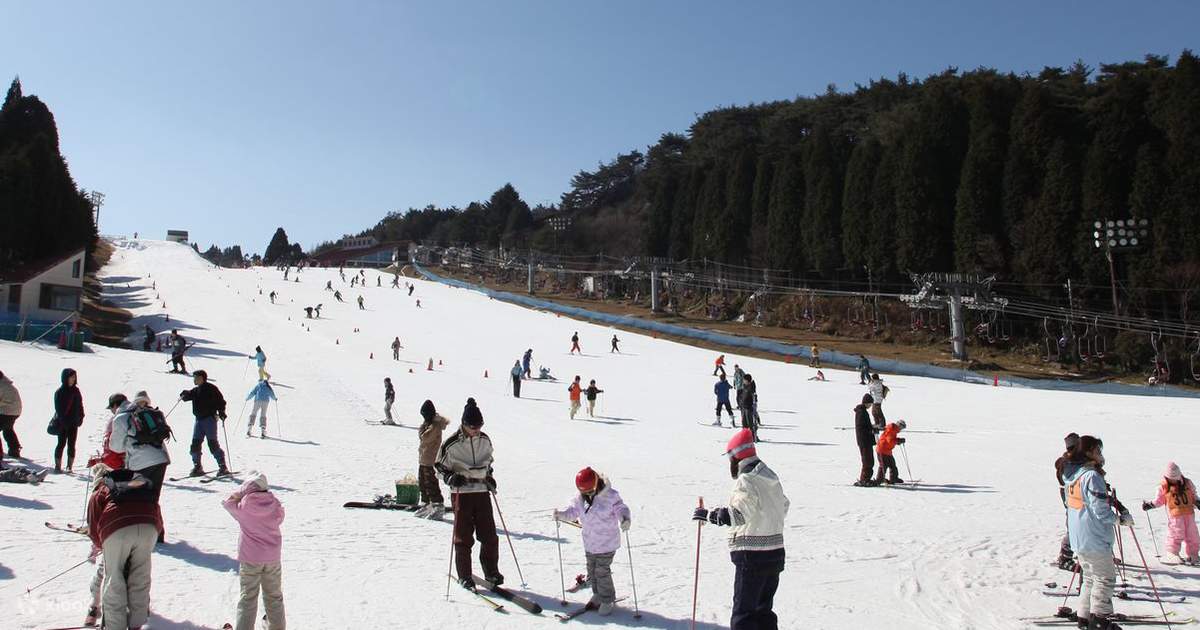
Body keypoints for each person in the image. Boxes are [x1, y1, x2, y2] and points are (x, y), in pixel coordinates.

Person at [692, 429, 789, 630]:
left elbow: (738, 515)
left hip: (752, 557)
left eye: (730, 457)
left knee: (743, 617)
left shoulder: (747, 480)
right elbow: (783, 505)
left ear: (737, 456)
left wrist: (708, 515)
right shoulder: (769, 475)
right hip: (775, 555)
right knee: (763, 613)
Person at [1064, 435, 1131, 630]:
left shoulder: (1072, 475)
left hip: (1080, 537)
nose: (1101, 455)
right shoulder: (1091, 476)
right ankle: (1100, 620)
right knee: (1105, 578)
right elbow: (1100, 510)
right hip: (1094, 537)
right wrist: (1119, 519)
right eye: (1098, 451)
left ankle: (1085, 617)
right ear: (1088, 453)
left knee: (1091, 578)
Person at [436, 398, 502, 589]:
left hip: (481, 491)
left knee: (489, 535)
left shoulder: (485, 440)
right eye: (473, 426)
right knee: (464, 536)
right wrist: (449, 478)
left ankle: (492, 572)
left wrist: (489, 477)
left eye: (479, 426)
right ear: (464, 425)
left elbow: (489, 462)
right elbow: (439, 467)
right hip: (462, 492)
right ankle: (464, 575)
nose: (476, 430)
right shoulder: (452, 444)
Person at [87, 465, 162, 630]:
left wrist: (102, 546)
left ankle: (115, 626)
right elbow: (157, 512)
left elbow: (93, 529)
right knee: (140, 577)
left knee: (114, 579)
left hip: (117, 529)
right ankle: (136, 624)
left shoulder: (100, 490)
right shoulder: (140, 486)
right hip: (149, 527)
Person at [553, 467, 631, 616]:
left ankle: (607, 599)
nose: (587, 495)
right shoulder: (580, 498)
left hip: (607, 543)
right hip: (590, 543)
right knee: (592, 572)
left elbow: (621, 508)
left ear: (596, 484)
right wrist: (561, 515)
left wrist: (624, 519)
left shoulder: (610, 496)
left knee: (602, 572)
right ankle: (597, 594)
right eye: (584, 492)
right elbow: (573, 511)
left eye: (589, 492)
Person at [223, 471, 286, 630]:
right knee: (274, 597)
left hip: (250, 558)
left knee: (248, 597)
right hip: (272, 557)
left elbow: (227, 503)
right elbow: (281, 515)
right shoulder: (274, 505)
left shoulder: (244, 507)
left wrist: (240, 493)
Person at [1143, 462, 1199, 565]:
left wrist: (1197, 502)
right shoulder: (1163, 486)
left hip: (1189, 514)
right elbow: (1159, 500)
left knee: (1192, 534)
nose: (1174, 480)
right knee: (1176, 533)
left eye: (1175, 478)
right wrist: (1150, 505)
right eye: (1171, 478)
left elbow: (1193, 495)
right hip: (1175, 515)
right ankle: (1173, 553)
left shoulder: (1187, 483)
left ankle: (1193, 554)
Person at [180, 370, 229, 476]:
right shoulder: (196, 390)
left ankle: (223, 466)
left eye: (196, 378)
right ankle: (197, 466)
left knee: (212, 443)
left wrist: (221, 412)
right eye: (194, 378)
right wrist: (184, 394)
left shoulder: (211, 389)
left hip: (209, 420)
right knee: (195, 444)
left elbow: (220, 401)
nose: (195, 380)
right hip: (198, 420)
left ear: (202, 378)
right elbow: (187, 396)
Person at [416, 400, 449, 519]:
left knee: (431, 483)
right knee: (423, 482)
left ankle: (437, 504)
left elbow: (426, 438)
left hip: (431, 459)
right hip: (424, 457)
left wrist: (422, 429)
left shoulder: (435, 426)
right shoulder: (429, 424)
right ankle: (426, 503)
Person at [1054, 433, 1081, 570]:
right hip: (1072, 497)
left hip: (1073, 496)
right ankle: (1065, 556)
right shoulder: (1067, 463)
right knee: (1074, 524)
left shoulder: (1073, 460)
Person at [53, 367, 85, 472]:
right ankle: (58, 466)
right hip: (63, 423)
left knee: (72, 445)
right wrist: (64, 421)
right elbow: (58, 409)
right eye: (71, 377)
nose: (73, 379)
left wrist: (81, 416)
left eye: (74, 377)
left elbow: (80, 405)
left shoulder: (76, 391)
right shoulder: (60, 392)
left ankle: (69, 466)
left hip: (74, 423)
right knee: (61, 444)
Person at [853, 394, 877, 487]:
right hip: (864, 440)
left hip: (866, 440)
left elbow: (865, 425)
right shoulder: (861, 412)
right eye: (870, 403)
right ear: (867, 402)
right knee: (868, 460)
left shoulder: (863, 411)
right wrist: (870, 430)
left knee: (869, 460)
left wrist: (872, 428)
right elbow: (861, 427)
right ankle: (864, 479)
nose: (871, 406)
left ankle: (866, 478)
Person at [874, 420, 906, 485]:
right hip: (882, 450)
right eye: (902, 427)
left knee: (892, 465)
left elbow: (891, 440)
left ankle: (894, 478)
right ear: (899, 425)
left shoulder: (894, 430)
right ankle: (879, 480)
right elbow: (890, 441)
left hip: (887, 450)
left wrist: (898, 440)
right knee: (883, 465)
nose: (901, 429)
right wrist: (898, 440)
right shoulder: (892, 429)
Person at [0, 369, 22, 459]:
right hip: (15, 411)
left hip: (6, 412)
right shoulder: (6, 383)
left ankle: (2, 453)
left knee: (7, 428)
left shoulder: (1, 385)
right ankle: (14, 449)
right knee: (8, 429)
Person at [738, 373, 758, 440]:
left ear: (747, 380)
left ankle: (753, 436)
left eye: (744, 380)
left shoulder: (751, 387)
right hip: (744, 407)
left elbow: (753, 396)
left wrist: (754, 400)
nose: (743, 381)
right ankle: (745, 436)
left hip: (749, 408)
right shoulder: (745, 386)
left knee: (750, 423)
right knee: (744, 423)